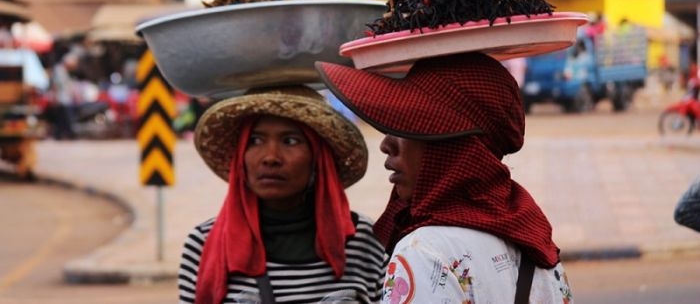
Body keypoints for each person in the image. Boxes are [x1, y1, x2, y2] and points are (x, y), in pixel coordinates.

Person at [316, 52, 574, 303]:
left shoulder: (424, 250)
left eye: (405, 127)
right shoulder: (533, 236)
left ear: (449, 146)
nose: (386, 144)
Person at [178, 85, 387, 304]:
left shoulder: (364, 241)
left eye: (290, 141)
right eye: (255, 141)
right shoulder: (203, 243)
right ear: (241, 156)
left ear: (318, 158)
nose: (270, 157)